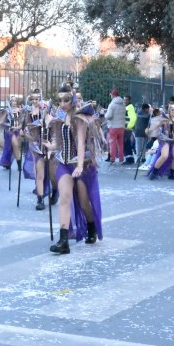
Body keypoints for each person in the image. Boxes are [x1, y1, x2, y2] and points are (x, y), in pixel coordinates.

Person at [46, 87, 103, 254]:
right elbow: (60, 142)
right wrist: (50, 147)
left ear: (73, 100)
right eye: (60, 100)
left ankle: (91, 226)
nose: (62, 104)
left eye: (66, 100)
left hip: (82, 164)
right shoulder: (60, 117)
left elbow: (79, 143)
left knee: (84, 201)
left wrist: (78, 166)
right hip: (63, 162)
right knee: (64, 196)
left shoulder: (80, 118)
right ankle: (63, 240)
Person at [104, 88, 126, 165]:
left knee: (112, 144)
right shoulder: (123, 104)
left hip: (113, 127)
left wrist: (104, 114)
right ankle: (121, 159)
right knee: (120, 144)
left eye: (111, 95)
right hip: (121, 127)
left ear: (113, 95)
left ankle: (112, 159)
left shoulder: (112, 105)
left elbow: (109, 116)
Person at [122, 95, 137, 164]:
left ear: (128, 100)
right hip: (126, 128)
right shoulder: (128, 107)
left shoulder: (129, 107)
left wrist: (129, 127)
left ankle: (129, 159)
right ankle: (129, 158)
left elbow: (133, 118)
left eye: (125, 100)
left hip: (127, 128)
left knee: (126, 143)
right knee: (126, 143)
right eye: (124, 99)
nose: (124, 101)